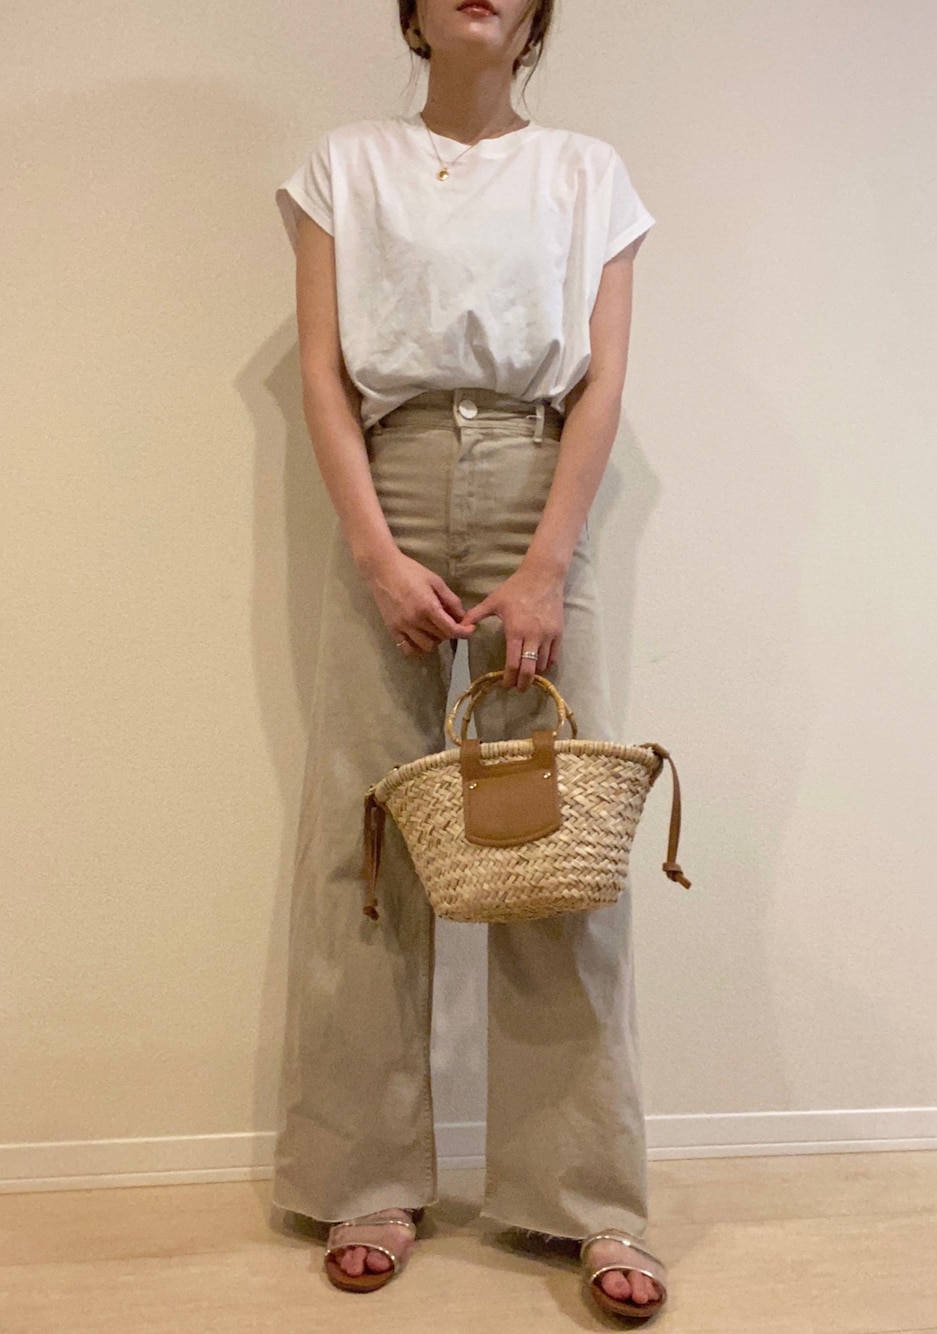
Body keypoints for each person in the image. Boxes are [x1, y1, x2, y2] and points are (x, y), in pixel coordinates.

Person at [271, 0, 668, 1321]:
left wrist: (550, 560)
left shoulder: (588, 173)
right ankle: (364, 1178)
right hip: (389, 481)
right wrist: (376, 555)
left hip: (535, 480)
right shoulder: (343, 167)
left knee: (553, 844)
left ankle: (586, 1198)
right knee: (366, 842)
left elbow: (603, 380)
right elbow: (324, 376)